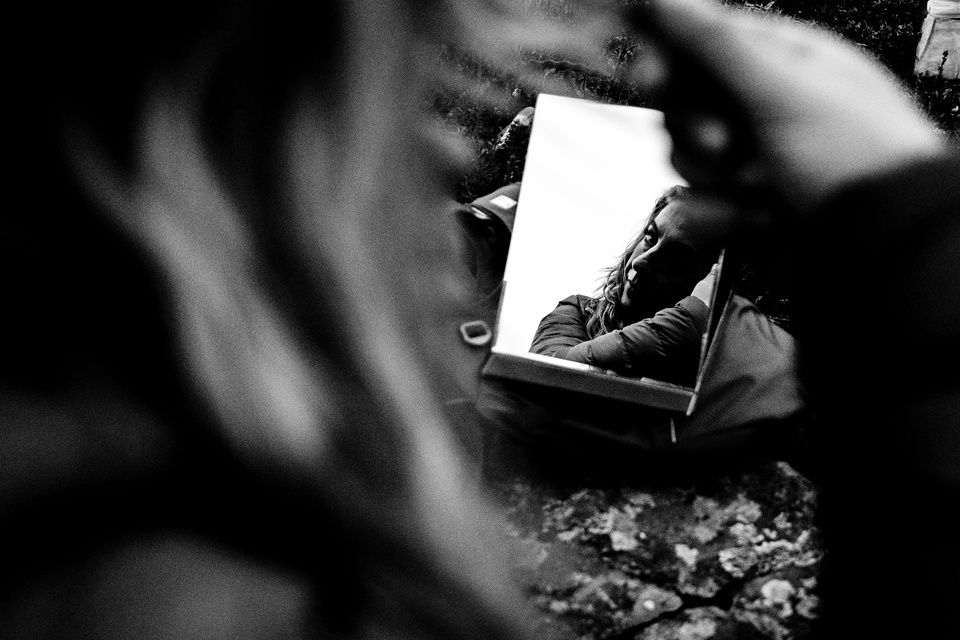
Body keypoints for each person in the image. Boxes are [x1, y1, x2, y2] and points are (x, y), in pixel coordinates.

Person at [624, 0, 959, 636]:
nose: (651, 263)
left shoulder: (724, 341)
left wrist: (904, 216)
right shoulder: (582, 306)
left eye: (678, 256)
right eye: (650, 243)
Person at [530, 185, 721, 386]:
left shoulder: (712, 367)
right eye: (650, 238)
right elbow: (543, 372)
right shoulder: (578, 311)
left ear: (707, 281)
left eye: (675, 258)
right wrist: (687, 321)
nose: (641, 262)